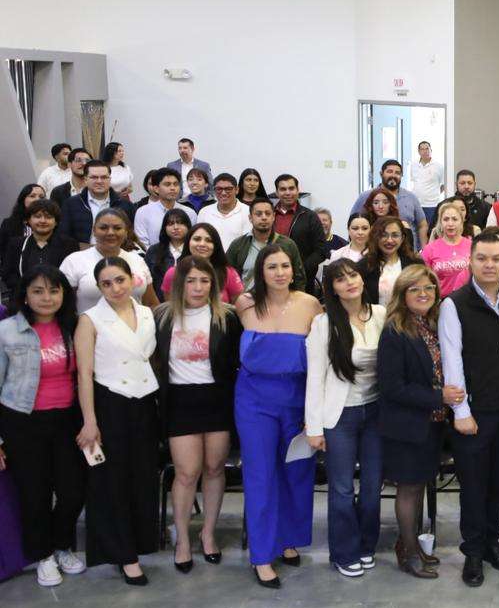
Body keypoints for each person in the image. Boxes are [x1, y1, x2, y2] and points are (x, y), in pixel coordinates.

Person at [438, 229, 499, 586]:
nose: (489, 265)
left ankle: (492, 542)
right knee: (474, 485)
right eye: (482, 258)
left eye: (496, 258)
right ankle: (473, 551)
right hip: (474, 413)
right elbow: (452, 360)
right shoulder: (454, 304)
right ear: (470, 261)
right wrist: (461, 413)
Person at [234, 245, 323, 588]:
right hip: (254, 400)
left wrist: (314, 411)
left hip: (297, 399)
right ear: (261, 270)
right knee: (260, 474)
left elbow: (320, 360)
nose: (280, 272)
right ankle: (261, 555)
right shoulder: (244, 303)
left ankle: (288, 538)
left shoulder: (310, 305)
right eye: (272, 266)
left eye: (285, 265)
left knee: (297, 472)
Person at [74, 256, 160, 585]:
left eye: (120, 280)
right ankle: (124, 555)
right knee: (113, 482)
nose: (115, 288)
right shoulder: (90, 319)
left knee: (142, 478)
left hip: (145, 402)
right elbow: (84, 374)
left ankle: (140, 544)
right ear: (99, 287)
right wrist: (90, 421)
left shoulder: (147, 312)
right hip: (109, 404)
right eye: (106, 284)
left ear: (132, 279)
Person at [151, 256, 241, 572]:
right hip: (180, 402)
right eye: (191, 281)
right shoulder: (162, 317)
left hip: (217, 400)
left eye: (204, 281)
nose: (198, 287)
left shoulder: (227, 316)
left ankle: (208, 534)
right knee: (187, 473)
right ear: (180, 284)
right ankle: (183, 540)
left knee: (214, 469)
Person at [0, 266, 87, 587]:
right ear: (25, 295)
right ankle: (44, 555)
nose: (46, 298)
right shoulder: (7, 331)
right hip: (22, 422)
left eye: (53, 290)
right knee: (34, 494)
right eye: (38, 291)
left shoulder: (75, 326)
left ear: (64, 294)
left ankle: (62, 545)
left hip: (67, 420)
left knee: (73, 490)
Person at [304, 259, 386, 578]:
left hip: (375, 412)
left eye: (353, 275)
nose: (349, 282)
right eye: (340, 279)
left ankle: (366, 546)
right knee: (341, 488)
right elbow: (315, 378)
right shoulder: (324, 324)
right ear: (332, 288)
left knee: (372, 486)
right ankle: (344, 552)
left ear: (362, 280)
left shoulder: (380, 314)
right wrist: (314, 427)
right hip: (339, 415)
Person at [378, 264, 455, 579]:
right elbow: (392, 387)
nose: (423, 294)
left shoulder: (432, 324)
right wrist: (439, 396)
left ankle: (409, 544)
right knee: (409, 488)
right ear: (402, 294)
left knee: (420, 483)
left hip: (432, 423)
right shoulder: (395, 330)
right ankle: (409, 553)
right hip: (407, 426)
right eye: (415, 289)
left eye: (428, 288)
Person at [60, 209, 158, 312]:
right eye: (103, 228)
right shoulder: (74, 261)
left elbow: (151, 303)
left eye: (117, 228)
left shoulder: (138, 260)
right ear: (94, 230)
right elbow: (63, 306)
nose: (110, 233)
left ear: (126, 232)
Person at [227, 199, 306, 292]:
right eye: (258, 214)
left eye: (268, 214)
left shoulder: (288, 244)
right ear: (250, 218)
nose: (264, 217)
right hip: (247, 298)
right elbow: (227, 277)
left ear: (273, 217)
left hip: (279, 298)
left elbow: (299, 278)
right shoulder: (238, 245)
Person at [2, 200, 79, 293]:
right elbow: (8, 274)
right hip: (23, 296)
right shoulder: (16, 244)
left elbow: (73, 275)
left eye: (48, 217)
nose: (43, 221)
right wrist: (28, 289)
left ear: (56, 222)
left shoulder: (69, 245)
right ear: (28, 220)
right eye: (37, 216)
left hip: (58, 295)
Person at [349, 160, 428, 248]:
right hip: (373, 250)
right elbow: (353, 223)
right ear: (381, 174)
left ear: (401, 176)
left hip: (408, 250)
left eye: (397, 173)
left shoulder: (411, 197)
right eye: (389, 171)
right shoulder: (366, 196)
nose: (393, 175)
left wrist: (424, 250)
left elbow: (422, 225)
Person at [161, 223, 245, 303]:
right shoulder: (173, 273)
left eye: (209, 240)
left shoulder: (227, 273)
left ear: (215, 245)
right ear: (188, 242)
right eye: (197, 239)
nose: (202, 244)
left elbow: (237, 306)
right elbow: (170, 307)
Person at [273, 174, 326, 289]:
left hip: (303, 282)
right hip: (272, 279)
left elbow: (321, 250)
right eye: (283, 189)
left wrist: (300, 269)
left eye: (291, 188)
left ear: (298, 190)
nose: (288, 193)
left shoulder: (310, 216)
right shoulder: (269, 215)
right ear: (277, 193)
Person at [59, 160, 125, 246]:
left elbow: (130, 236)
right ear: (85, 180)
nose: (99, 181)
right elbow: (63, 236)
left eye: (104, 177)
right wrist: (87, 249)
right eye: (94, 177)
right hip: (82, 252)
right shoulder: (71, 204)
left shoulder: (124, 205)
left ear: (110, 179)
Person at [357, 216, 419, 306]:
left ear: (402, 238)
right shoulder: (364, 266)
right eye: (384, 235)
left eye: (395, 235)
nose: (389, 240)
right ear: (376, 237)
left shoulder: (415, 264)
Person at [133, 168, 196, 249]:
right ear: (156, 189)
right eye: (167, 184)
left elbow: (192, 241)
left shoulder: (189, 212)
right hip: (152, 256)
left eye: (176, 184)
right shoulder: (143, 212)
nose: (173, 188)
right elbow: (142, 244)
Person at [421, 201, 472, 295]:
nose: (450, 223)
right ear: (440, 222)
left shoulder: (472, 246)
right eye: (446, 219)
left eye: (455, 219)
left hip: (468, 299)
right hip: (440, 299)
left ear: (461, 221)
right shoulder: (429, 249)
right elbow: (424, 280)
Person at [144, 208, 192, 300]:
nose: (176, 227)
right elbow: (147, 280)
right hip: (159, 303)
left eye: (180, 223)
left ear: (188, 226)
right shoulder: (154, 251)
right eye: (170, 224)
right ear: (164, 227)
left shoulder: (193, 250)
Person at [197, 173, 252, 249]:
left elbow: (249, 242)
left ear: (237, 190)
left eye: (228, 189)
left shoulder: (248, 211)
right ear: (214, 190)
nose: (223, 193)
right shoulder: (204, 212)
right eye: (219, 189)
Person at [0, 184, 46, 271]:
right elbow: (3, 252)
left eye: (41, 197)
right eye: (32, 196)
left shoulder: (50, 224)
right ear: (23, 199)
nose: (37, 199)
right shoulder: (9, 224)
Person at [410, 141, 446, 228]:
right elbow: (414, 182)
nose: (425, 151)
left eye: (427, 149)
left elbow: (443, 185)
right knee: (417, 229)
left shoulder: (439, 166)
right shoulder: (414, 165)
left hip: (432, 205)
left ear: (431, 150)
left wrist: (434, 194)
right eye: (422, 149)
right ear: (419, 151)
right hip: (417, 204)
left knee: (430, 229)